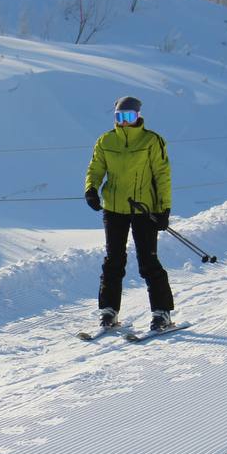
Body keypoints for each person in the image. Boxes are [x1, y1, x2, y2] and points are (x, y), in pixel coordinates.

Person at [83, 96, 175, 332]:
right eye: (120, 117)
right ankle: (108, 311)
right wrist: (91, 189)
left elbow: (162, 175)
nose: (124, 122)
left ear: (138, 116)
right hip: (114, 208)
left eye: (129, 117)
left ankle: (161, 312)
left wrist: (164, 208)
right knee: (113, 260)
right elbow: (95, 168)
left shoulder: (152, 141)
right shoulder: (106, 141)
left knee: (148, 260)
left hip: (144, 209)